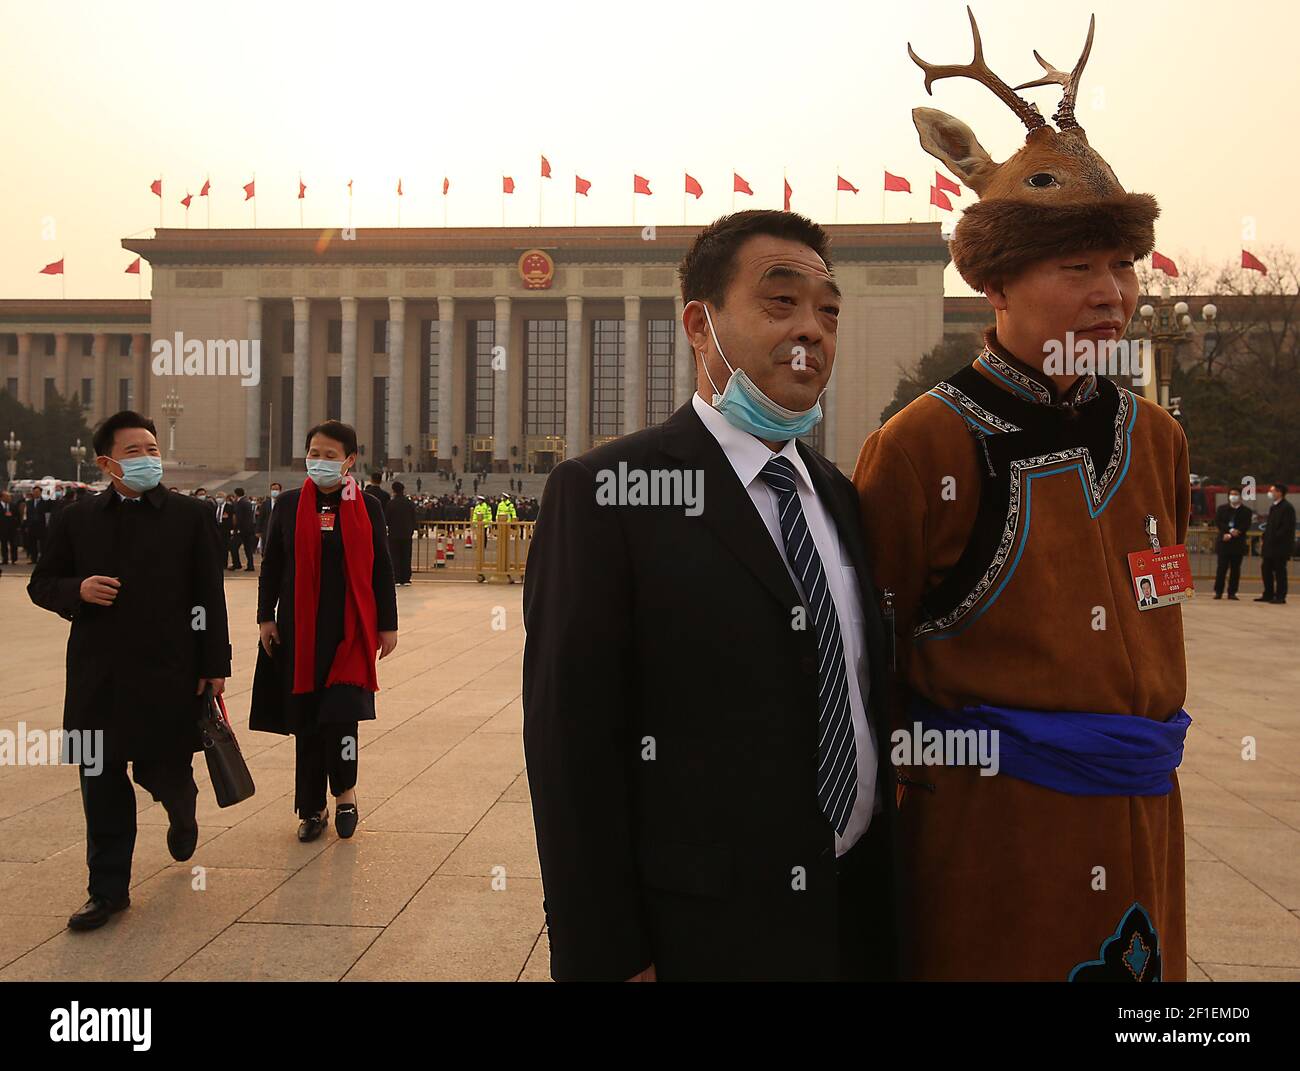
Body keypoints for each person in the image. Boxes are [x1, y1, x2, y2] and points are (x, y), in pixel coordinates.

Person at [853, 10, 1188, 981]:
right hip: (991, 833)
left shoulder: (1155, 438)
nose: (1111, 294)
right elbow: (875, 670)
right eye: (1076, 268)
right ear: (995, 284)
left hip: (1143, 820)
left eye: (1121, 266)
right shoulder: (922, 445)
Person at [524, 209, 897, 981]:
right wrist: (609, 952)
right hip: (700, 933)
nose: (813, 329)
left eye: (828, 311)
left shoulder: (839, 497)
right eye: (780, 302)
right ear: (700, 324)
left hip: (850, 918)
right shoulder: (605, 495)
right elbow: (571, 749)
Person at [27, 410, 231, 931]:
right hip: (98, 674)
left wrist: (214, 664)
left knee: (161, 768)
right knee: (100, 780)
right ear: (106, 463)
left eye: (151, 449)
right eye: (134, 452)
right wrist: (77, 590)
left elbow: (210, 595)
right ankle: (108, 890)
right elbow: (42, 582)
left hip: (169, 669)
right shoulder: (77, 518)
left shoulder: (190, 516)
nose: (147, 459)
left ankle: (182, 805)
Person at [250, 420, 399, 841]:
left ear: (349, 461)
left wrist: (387, 625)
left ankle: (346, 794)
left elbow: (381, 568)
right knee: (308, 721)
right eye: (314, 453)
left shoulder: (367, 506)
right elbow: (273, 566)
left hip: (349, 631)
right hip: (300, 630)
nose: (319, 461)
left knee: (342, 718)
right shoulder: (289, 505)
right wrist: (266, 617)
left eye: (330, 455)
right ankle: (311, 807)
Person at [1257, 483, 1295, 604]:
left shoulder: (1287, 508)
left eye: (1272, 491)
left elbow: (1286, 528)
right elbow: (1270, 526)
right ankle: (1268, 593)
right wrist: (1265, 537)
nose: (1270, 493)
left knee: (1279, 571)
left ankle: (1280, 596)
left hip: (1280, 546)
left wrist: (1275, 538)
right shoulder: (1274, 507)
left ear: (1279, 492)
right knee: (1266, 569)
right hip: (1269, 546)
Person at [1213, 489, 1252, 599]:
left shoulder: (1246, 511)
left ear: (1240, 496)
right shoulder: (1222, 509)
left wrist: (1236, 532)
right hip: (1224, 543)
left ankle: (1232, 592)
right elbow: (1219, 522)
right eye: (1231, 494)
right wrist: (1229, 531)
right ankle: (1218, 591)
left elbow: (1245, 525)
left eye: (1236, 494)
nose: (1233, 496)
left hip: (1237, 544)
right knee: (1221, 569)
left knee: (1235, 570)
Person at [385, 480, 416, 586]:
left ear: (393, 490)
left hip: (394, 533)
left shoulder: (391, 503)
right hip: (407, 533)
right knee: (406, 556)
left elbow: (386, 519)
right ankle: (406, 578)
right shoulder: (409, 503)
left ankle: (397, 578)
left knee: (395, 556)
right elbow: (414, 517)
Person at [0, 489, 18, 565]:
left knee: (13, 544)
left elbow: (17, 516)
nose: (9, 498)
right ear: (2, 498)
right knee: (4, 544)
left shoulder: (13, 505)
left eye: (9, 497)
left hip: (12, 528)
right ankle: (5, 559)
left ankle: (14, 559)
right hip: (2, 528)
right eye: (7, 497)